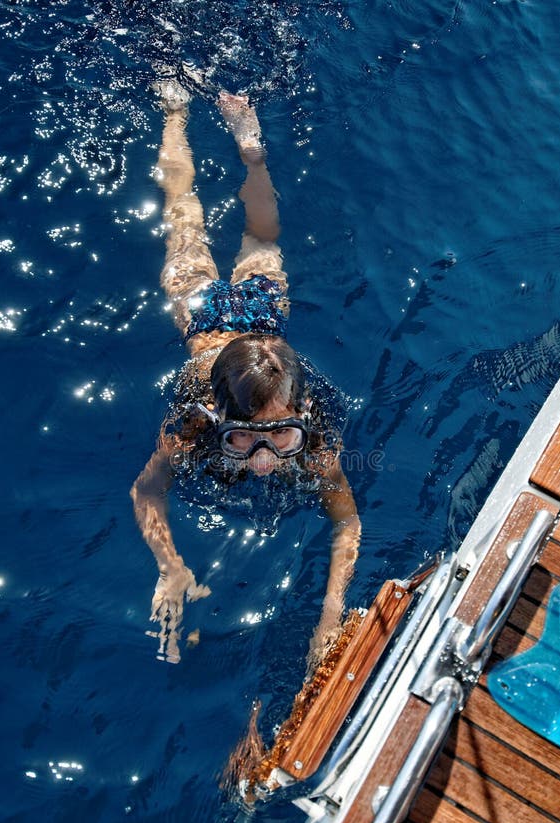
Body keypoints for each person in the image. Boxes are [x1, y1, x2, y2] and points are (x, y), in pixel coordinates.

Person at [131, 77, 361, 666]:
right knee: (186, 216)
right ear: (215, 417)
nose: (262, 459)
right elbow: (146, 490)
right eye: (244, 439)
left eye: (279, 437)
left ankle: (249, 146)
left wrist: (332, 615)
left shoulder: (315, 442)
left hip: (254, 315)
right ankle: (175, 115)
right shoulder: (191, 426)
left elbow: (347, 525)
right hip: (202, 310)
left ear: (302, 416)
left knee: (259, 231)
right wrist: (171, 567)